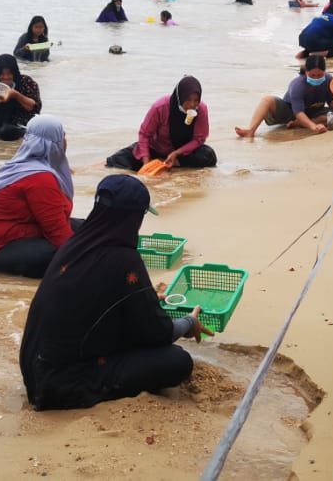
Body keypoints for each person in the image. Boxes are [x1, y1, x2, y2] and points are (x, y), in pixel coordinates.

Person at [19, 175, 213, 410]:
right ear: (133, 218)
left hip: (34, 372)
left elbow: (97, 302)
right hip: (62, 387)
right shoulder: (124, 259)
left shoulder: (74, 244)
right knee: (177, 361)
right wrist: (188, 323)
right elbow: (158, 333)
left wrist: (144, 298)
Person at [0, 117, 79, 278]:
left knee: (89, 228)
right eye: (62, 137)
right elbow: (56, 231)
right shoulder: (40, 178)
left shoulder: (21, 166)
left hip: (21, 233)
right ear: (53, 143)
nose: (65, 141)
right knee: (66, 253)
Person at [105, 76, 217, 171]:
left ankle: (171, 162)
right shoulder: (161, 107)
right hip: (156, 148)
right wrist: (146, 163)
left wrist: (176, 153)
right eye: (188, 100)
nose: (192, 104)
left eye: (196, 100)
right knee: (118, 160)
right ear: (180, 97)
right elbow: (144, 135)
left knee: (208, 156)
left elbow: (199, 139)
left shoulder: (201, 109)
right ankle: (158, 162)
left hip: (182, 153)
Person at [235, 55, 333, 137]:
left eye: (319, 75)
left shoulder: (329, 79)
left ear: (325, 72)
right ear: (306, 71)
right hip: (290, 111)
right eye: (312, 75)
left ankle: (299, 124)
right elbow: (298, 113)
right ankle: (251, 130)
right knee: (267, 100)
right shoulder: (298, 85)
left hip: (314, 112)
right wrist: (313, 127)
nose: (316, 78)